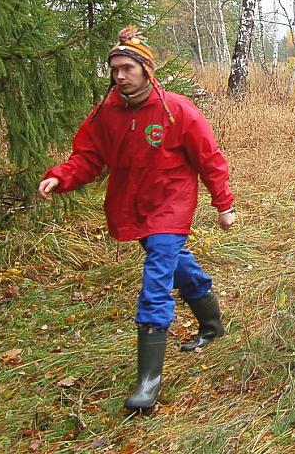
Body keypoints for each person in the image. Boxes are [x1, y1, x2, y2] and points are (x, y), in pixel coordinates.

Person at [37, 27, 236, 412]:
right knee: (176, 265)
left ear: (146, 68)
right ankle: (212, 324)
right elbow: (89, 157)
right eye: (114, 69)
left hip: (171, 206)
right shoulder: (106, 113)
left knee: (156, 278)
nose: (119, 76)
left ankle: (148, 383)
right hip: (133, 208)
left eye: (127, 68)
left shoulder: (176, 110)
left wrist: (223, 204)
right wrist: (60, 176)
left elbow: (210, 159)